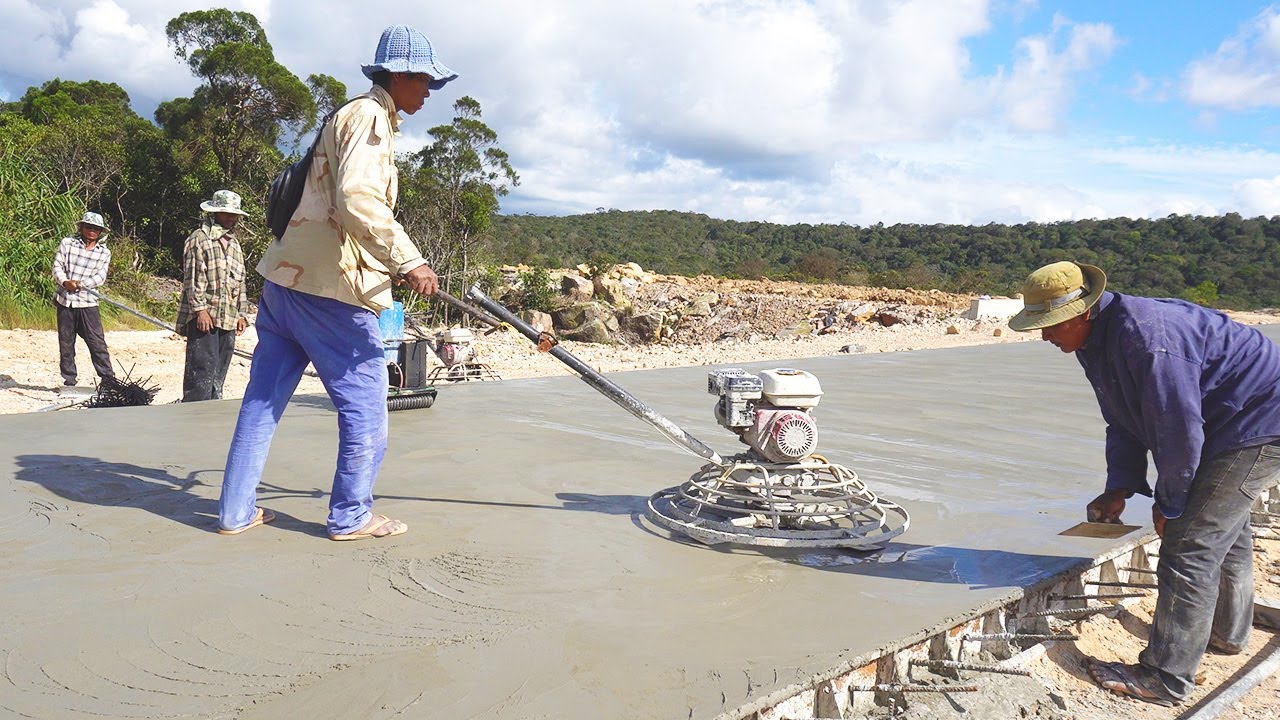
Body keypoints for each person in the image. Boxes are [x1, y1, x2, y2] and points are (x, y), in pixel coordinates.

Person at [216, 24, 456, 539]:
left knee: (262, 404)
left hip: (284, 283)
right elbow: (358, 201)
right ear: (400, 74)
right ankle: (350, 516)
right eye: (425, 82)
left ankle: (235, 512)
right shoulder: (370, 116)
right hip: (331, 290)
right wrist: (410, 261)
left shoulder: (347, 114)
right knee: (367, 409)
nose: (429, 93)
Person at [1009, 261, 1280, 707]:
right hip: (1225, 420)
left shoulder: (1149, 340)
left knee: (1189, 545)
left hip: (1256, 424)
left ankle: (1165, 677)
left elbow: (1177, 429)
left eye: (1050, 325)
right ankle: (1228, 635)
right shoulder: (1094, 341)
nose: (1045, 335)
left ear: (1082, 312)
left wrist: (1170, 503)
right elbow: (1123, 416)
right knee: (1222, 525)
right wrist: (1121, 485)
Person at [176, 190, 250, 402]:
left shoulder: (234, 243)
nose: (231, 217)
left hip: (228, 316)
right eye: (226, 213)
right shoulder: (199, 239)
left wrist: (241, 314)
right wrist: (200, 310)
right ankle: (195, 417)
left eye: (234, 214)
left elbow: (240, 280)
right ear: (215, 212)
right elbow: (193, 278)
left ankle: (212, 417)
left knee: (219, 374)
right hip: (206, 317)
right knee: (200, 372)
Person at [52, 212, 116, 388]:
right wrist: (65, 282)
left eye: (96, 228)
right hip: (65, 301)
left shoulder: (104, 252)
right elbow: (57, 265)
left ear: (101, 232)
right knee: (66, 343)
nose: (92, 231)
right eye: (88, 227)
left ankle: (108, 380)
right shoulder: (67, 244)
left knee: (97, 342)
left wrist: (80, 284)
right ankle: (69, 381)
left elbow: (100, 277)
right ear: (81, 227)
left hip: (88, 302)